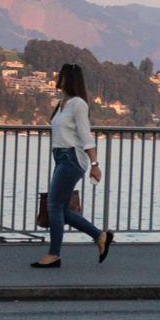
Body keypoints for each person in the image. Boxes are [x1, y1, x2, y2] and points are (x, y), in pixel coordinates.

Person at [33, 63, 113, 268]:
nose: (58, 79)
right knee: (60, 208)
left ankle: (54, 255)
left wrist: (95, 164)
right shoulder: (62, 104)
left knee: (53, 206)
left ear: (69, 79)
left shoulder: (78, 104)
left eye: (61, 76)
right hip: (60, 157)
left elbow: (86, 135)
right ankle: (100, 236)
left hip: (72, 158)